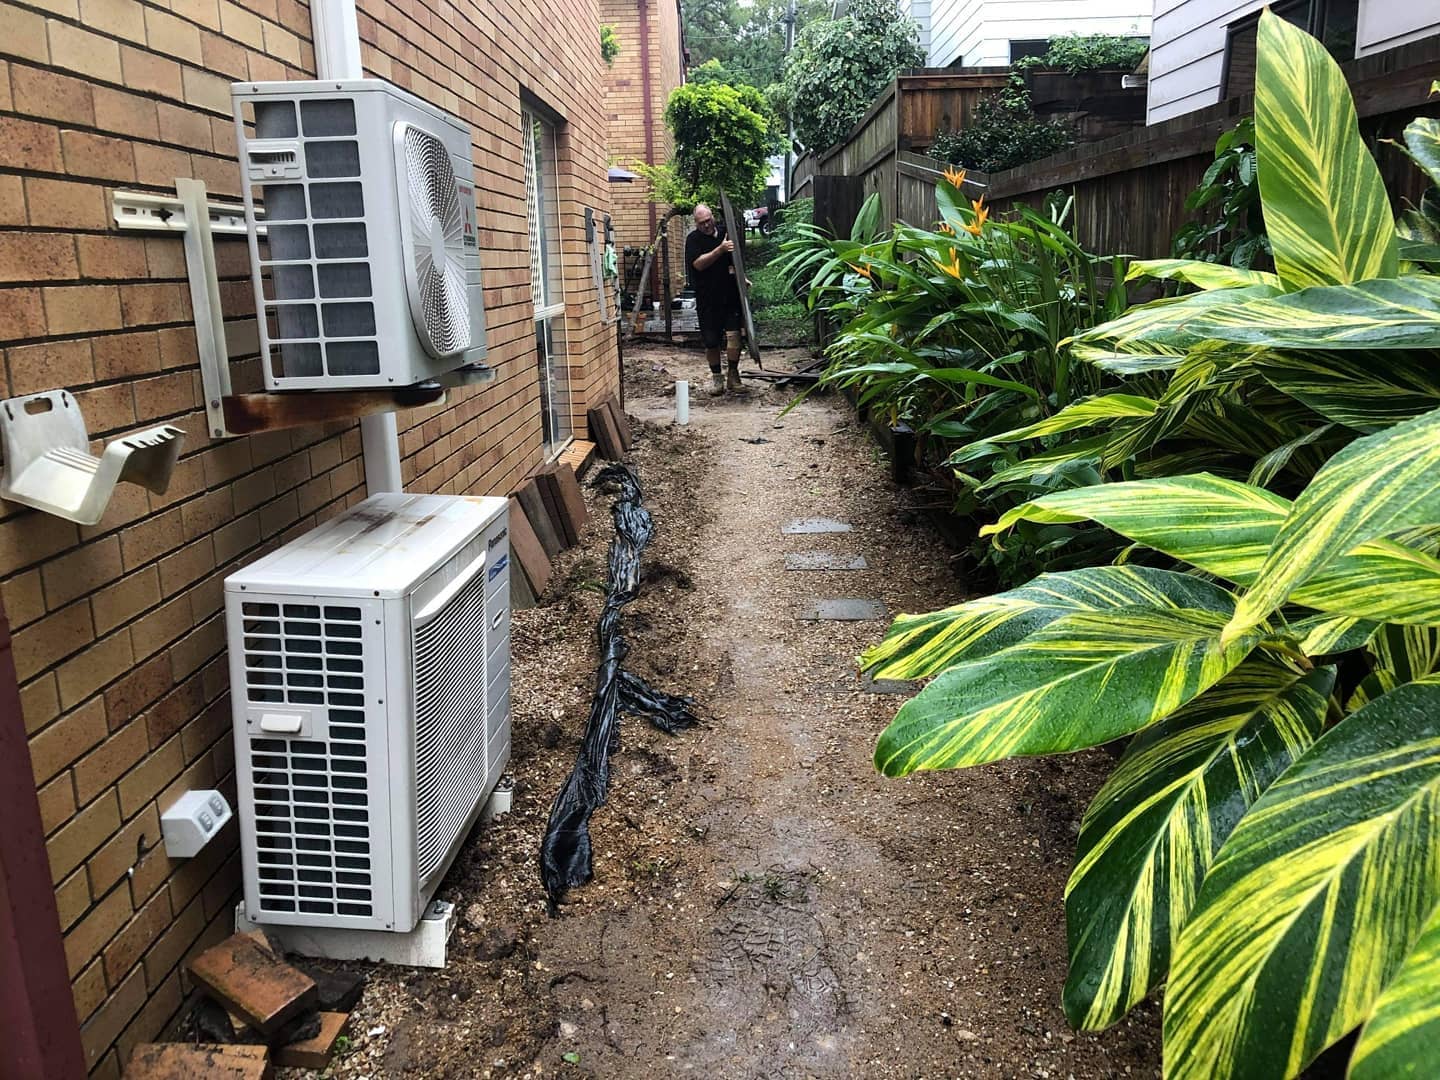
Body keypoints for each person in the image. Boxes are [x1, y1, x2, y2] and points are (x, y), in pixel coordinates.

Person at [685, 203, 746, 395]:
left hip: (729, 295)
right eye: (702, 222)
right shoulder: (693, 240)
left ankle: (733, 376)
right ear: (696, 223)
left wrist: (742, 278)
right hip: (707, 298)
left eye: (708, 220)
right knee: (711, 341)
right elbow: (698, 264)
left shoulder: (725, 233)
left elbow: (734, 261)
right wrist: (719, 250)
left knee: (734, 336)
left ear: (713, 217)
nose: (706, 225)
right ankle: (717, 379)